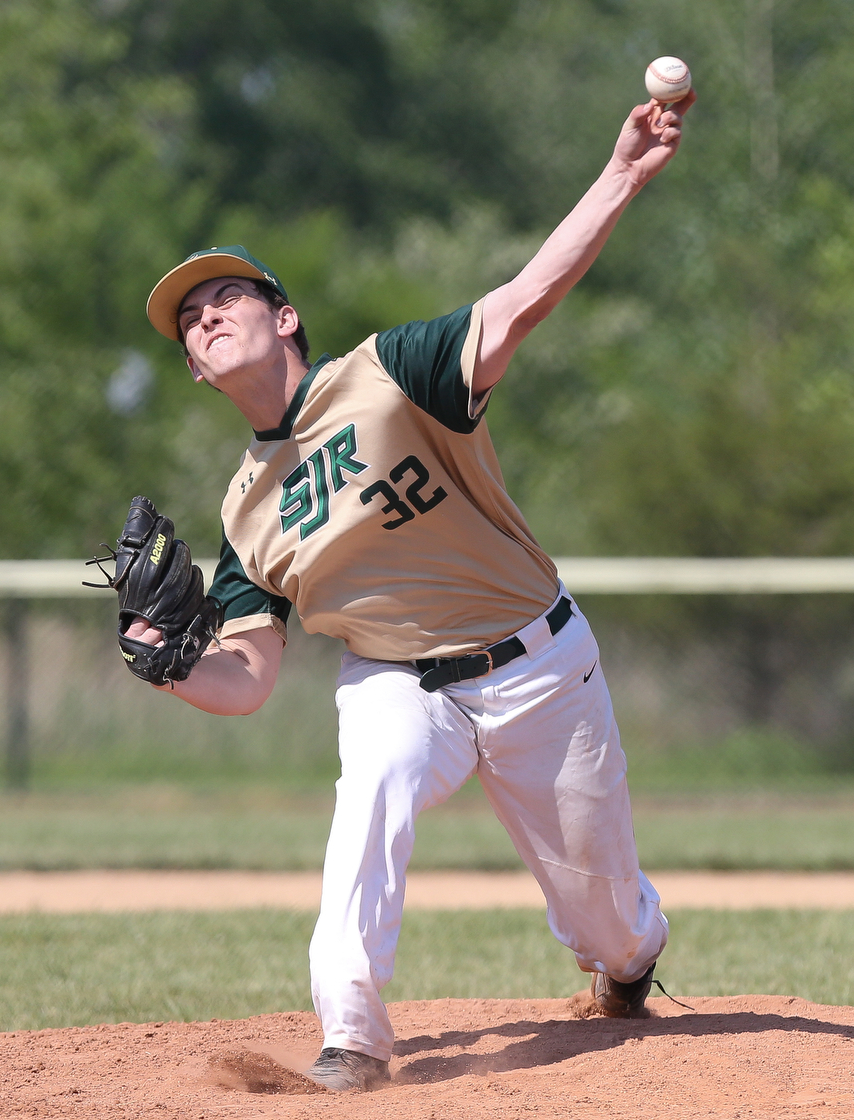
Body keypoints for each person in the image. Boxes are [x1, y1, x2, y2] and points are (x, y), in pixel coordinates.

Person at [129, 90, 695, 1092]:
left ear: (284, 315)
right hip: (396, 684)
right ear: (190, 367)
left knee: (603, 919)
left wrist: (622, 173)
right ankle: (350, 1036)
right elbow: (248, 678)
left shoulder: (388, 374)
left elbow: (523, 299)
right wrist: (168, 663)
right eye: (187, 320)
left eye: (225, 297)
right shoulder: (243, 510)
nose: (204, 314)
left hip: (537, 662)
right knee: (371, 794)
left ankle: (628, 962)